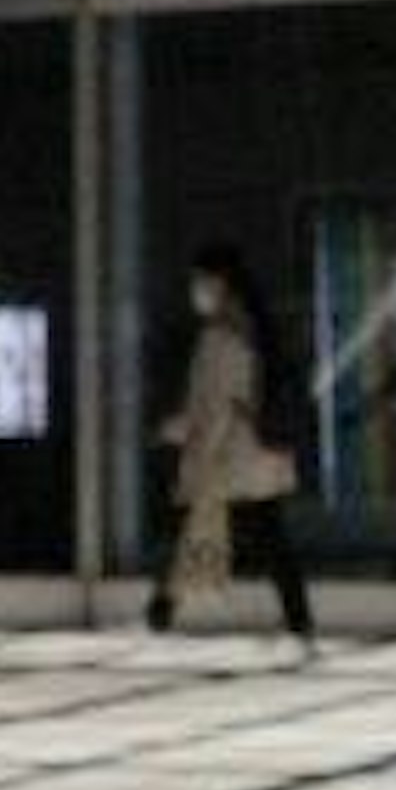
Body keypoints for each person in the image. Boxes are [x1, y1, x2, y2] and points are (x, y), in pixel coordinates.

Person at [149, 239, 315, 644]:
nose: (196, 291)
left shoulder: (224, 337)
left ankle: (162, 609)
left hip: (233, 458)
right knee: (261, 536)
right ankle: (163, 608)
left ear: (219, 283)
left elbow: (215, 405)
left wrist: (191, 446)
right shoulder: (249, 330)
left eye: (200, 282)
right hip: (251, 457)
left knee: (212, 530)